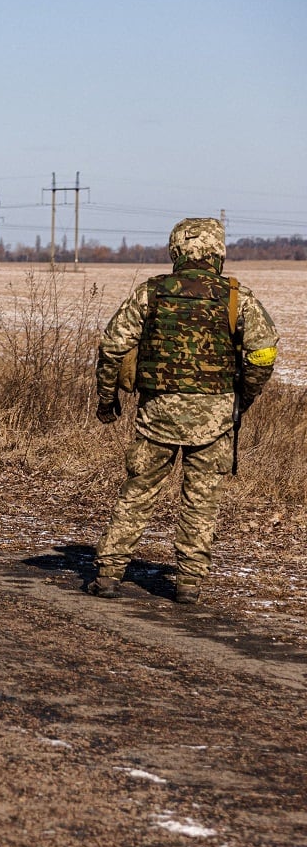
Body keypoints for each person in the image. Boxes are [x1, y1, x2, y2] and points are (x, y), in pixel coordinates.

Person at [86, 217, 278, 605]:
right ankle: (189, 582)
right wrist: (243, 397)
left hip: (156, 414)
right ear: (217, 252)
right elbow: (263, 351)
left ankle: (108, 574)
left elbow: (112, 347)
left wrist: (108, 399)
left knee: (138, 493)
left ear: (176, 250)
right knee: (201, 500)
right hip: (215, 417)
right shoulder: (236, 296)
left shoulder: (151, 292)